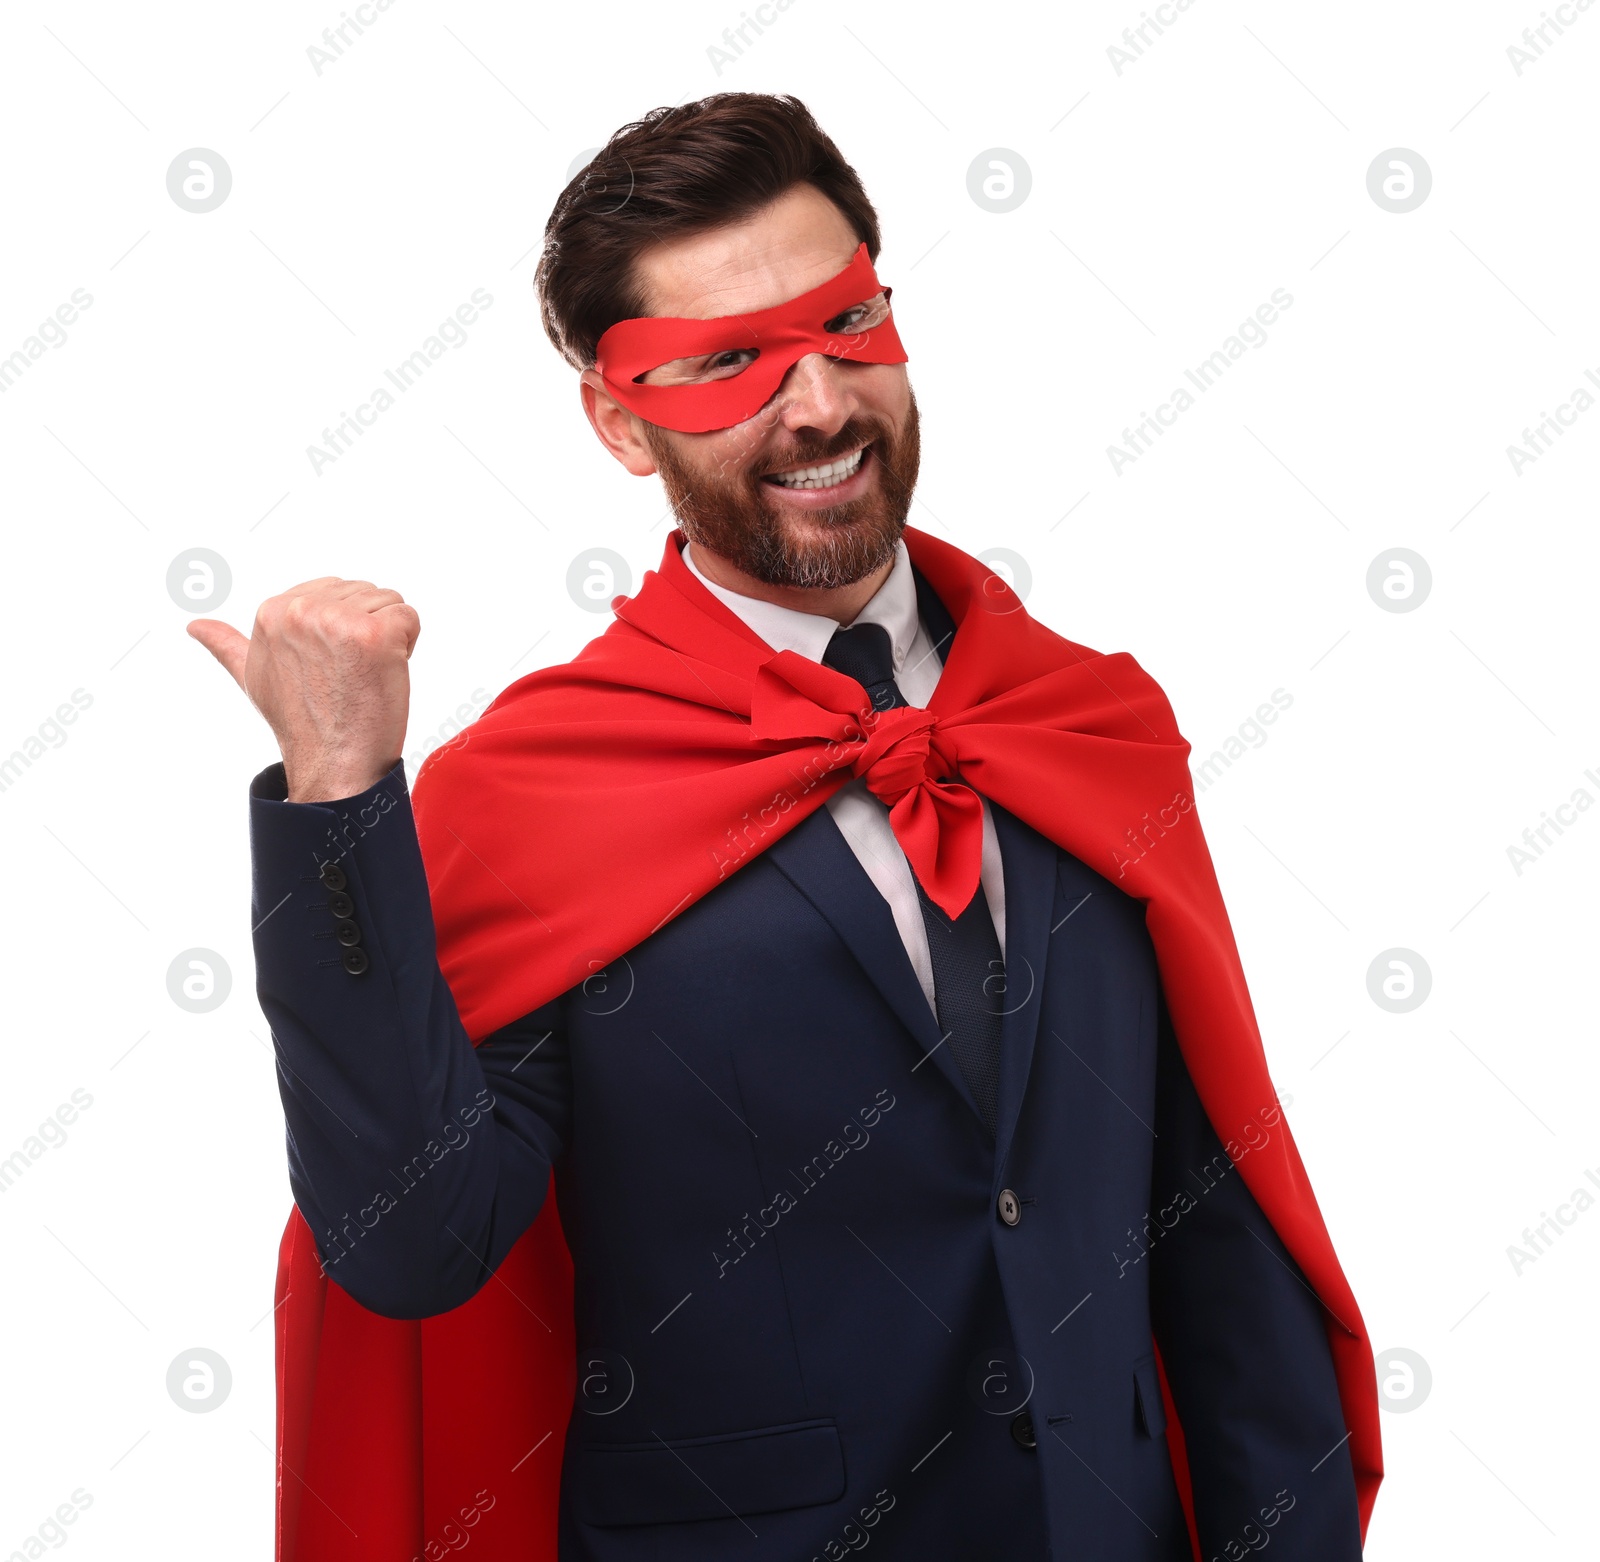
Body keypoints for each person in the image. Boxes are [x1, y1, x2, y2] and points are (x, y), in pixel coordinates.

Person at [190, 93, 1379, 1562]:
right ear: (622, 421)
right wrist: (338, 796)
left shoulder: (1086, 721)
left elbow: (1217, 1223)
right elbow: (411, 1245)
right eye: (728, 365)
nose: (818, 402)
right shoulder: (533, 786)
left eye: (847, 324)